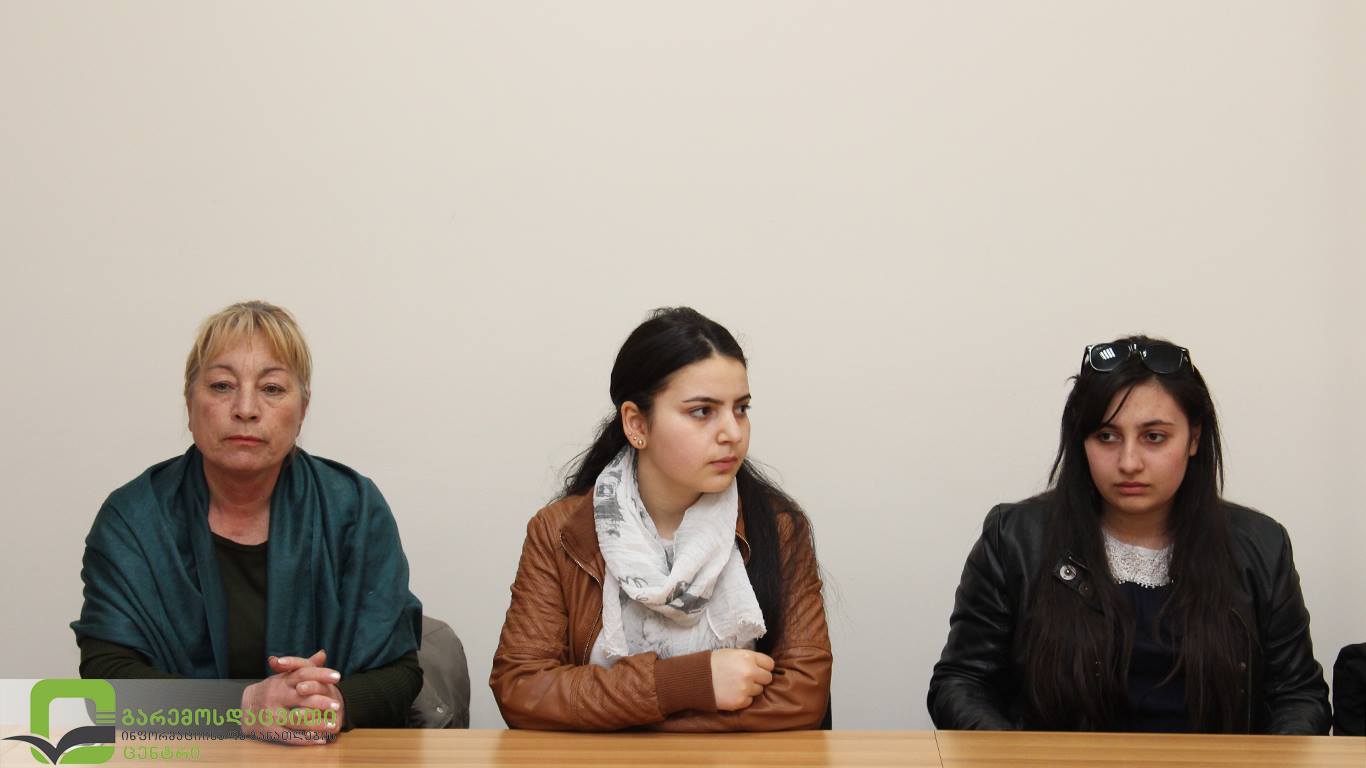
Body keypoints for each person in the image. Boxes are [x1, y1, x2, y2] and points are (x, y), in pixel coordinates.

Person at [927, 336, 1330, 734]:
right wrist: (1018, 759)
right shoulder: (1014, 540)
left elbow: (1299, 696)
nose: (1129, 462)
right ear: (1081, 440)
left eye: (1154, 437)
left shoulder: (1261, 546)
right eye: (1106, 436)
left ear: (1193, 439)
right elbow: (961, 682)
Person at [72, 301, 423, 744]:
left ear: (303, 409)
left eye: (272, 388)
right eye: (222, 385)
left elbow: (401, 672)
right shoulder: (133, 520)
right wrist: (237, 708)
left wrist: (330, 702)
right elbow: (105, 677)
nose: (245, 408)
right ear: (189, 404)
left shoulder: (353, 509)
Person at [490, 307, 831, 731]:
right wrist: (684, 684)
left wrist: (623, 720)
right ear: (637, 423)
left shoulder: (779, 527)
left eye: (741, 409)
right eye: (702, 411)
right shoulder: (559, 532)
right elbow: (523, 688)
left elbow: (802, 695)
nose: (733, 432)